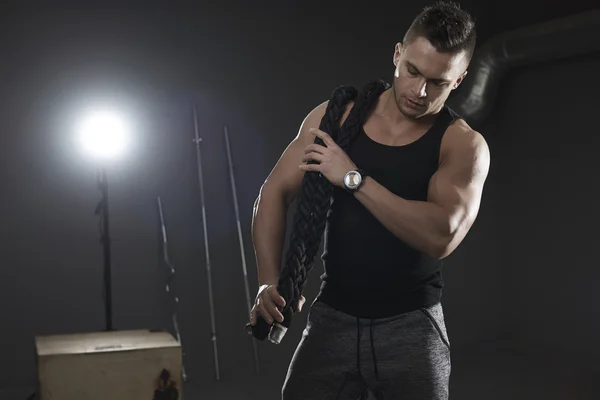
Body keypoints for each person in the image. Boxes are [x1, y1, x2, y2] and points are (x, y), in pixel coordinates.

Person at [249, 1, 490, 399]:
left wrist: (353, 179)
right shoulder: (336, 118)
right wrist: (266, 283)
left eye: (438, 82)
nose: (419, 91)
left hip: (412, 327)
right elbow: (272, 193)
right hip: (333, 320)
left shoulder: (462, 144)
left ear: (459, 79)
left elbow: (441, 236)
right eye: (412, 70)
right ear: (398, 54)